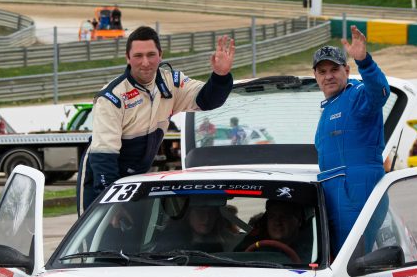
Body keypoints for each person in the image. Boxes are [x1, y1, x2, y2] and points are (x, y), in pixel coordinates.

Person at [78, 27, 235, 212]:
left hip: (137, 178)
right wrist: (113, 204)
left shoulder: (172, 83)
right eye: (138, 56)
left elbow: (208, 100)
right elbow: (103, 157)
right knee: (96, 238)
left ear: (160, 55)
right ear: (128, 58)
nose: (145, 62)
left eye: (151, 54)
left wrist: (220, 76)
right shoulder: (112, 96)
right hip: (100, 177)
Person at [314, 26, 391, 253]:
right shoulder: (328, 109)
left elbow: (380, 93)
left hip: (357, 191)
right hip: (333, 192)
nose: (328, 76)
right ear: (315, 76)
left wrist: (364, 62)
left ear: (347, 70)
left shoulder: (356, 94)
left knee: (353, 260)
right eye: (322, 71)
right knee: (338, 258)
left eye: (334, 69)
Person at [237, 200, 312, 263]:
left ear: (299, 221)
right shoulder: (251, 244)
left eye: (284, 217)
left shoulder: (313, 252)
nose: (277, 222)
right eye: (272, 217)